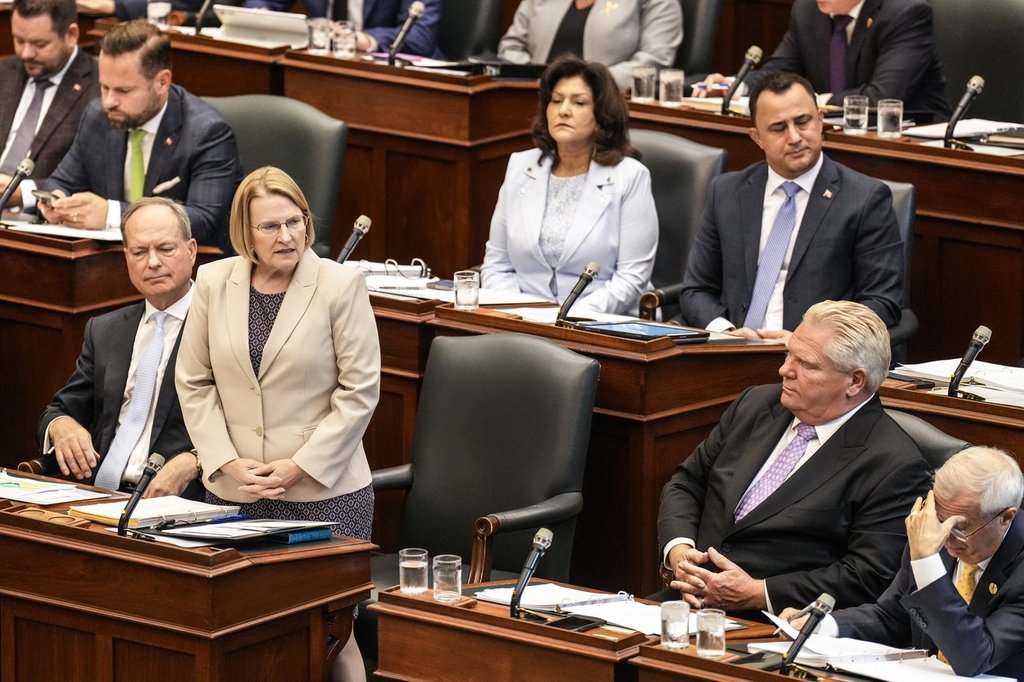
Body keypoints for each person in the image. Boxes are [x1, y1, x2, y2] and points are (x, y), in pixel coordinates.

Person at [175, 166, 380, 681]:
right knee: (242, 631)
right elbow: (194, 382)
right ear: (246, 233)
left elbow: (359, 392)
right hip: (236, 490)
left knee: (332, 632)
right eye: (270, 226)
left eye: (294, 221)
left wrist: (299, 465)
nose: (286, 235)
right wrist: (225, 461)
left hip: (322, 490)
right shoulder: (213, 281)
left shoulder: (340, 285)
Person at [657, 300, 931, 621]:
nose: (785, 370)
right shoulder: (756, 404)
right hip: (684, 600)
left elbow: (867, 575)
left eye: (807, 364)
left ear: (855, 381)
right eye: (789, 354)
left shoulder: (894, 464)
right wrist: (679, 552)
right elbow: (687, 483)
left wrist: (758, 592)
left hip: (779, 623)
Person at [679, 71, 903, 338]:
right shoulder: (727, 191)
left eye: (803, 122)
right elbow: (696, 290)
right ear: (757, 137)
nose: (795, 137)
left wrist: (806, 342)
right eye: (778, 128)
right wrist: (726, 332)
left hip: (815, 357)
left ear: (820, 120)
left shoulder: (864, 198)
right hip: (731, 347)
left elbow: (882, 302)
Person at [784, 447, 1024, 679]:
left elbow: (975, 657)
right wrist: (821, 626)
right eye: (939, 519)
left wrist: (927, 565)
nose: (943, 537)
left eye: (960, 528)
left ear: (1006, 517)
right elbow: (891, 617)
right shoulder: (928, 536)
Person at [36, 197, 203, 500]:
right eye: (139, 252)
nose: (153, 262)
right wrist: (61, 427)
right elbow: (59, 410)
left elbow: (249, 430)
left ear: (191, 250)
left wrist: (195, 461)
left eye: (165, 249)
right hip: (97, 495)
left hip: (175, 502)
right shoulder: (105, 330)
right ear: (126, 257)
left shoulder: (221, 325)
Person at [36, 20, 242, 253]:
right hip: (111, 259)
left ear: (162, 82)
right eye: (104, 87)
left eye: (123, 90)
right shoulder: (98, 117)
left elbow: (204, 219)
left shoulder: (207, 132)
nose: (109, 102)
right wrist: (56, 201)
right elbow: (61, 181)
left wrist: (112, 214)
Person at [481, 55, 658, 316]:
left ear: (602, 115)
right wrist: (518, 314)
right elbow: (497, 264)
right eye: (556, 100)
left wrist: (564, 319)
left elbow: (631, 279)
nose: (563, 110)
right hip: (521, 321)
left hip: (599, 322)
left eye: (579, 102)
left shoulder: (630, 177)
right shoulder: (520, 166)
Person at [700, 0, 949, 116]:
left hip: (912, 140)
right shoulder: (807, 10)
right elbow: (778, 72)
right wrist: (734, 86)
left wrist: (812, 102)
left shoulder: (906, 13)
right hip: (834, 135)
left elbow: (882, 97)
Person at [0, 0, 98, 203]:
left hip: (40, 215)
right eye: (19, 40)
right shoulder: (4, 72)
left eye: (40, 44)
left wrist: (23, 194)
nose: (26, 53)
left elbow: (93, 180)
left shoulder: (100, 88)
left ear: (71, 34)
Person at [498, 0, 683, 91]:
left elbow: (654, 60)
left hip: (608, 108)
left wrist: (589, 83)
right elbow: (511, 46)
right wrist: (534, 77)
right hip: (532, 99)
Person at [242, 0, 442, 58]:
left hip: (390, 76)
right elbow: (259, 2)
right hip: (319, 64)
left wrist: (363, 39)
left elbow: (421, 37)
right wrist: (260, 13)